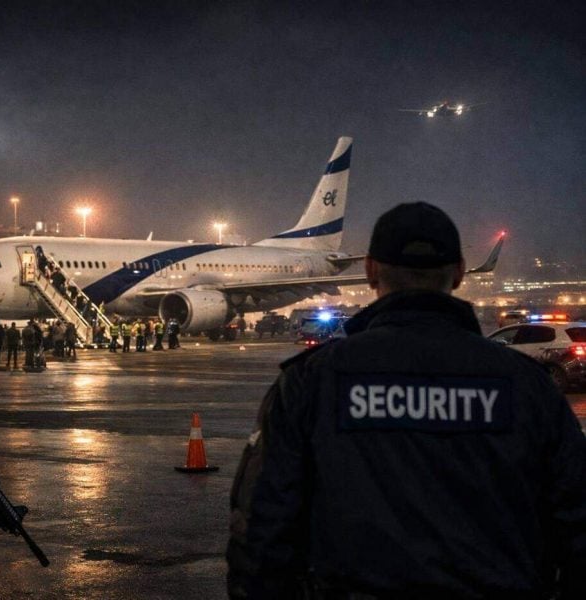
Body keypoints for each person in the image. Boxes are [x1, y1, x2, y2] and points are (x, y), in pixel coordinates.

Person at [227, 203, 586, 599]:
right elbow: (575, 523)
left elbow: (262, 528)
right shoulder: (526, 385)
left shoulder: (313, 380)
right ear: (461, 272)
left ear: (369, 271)